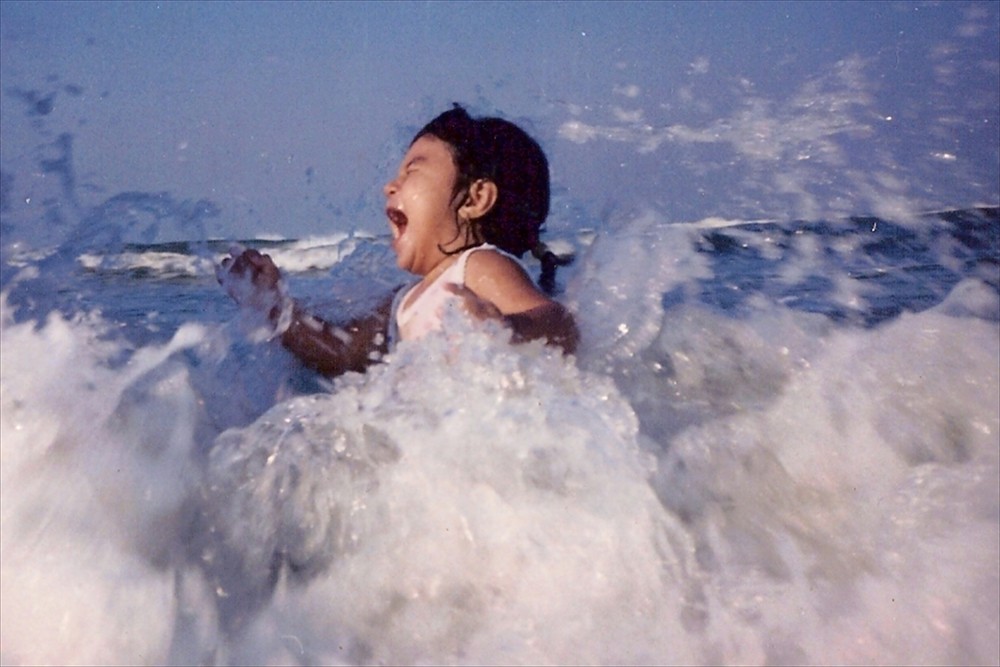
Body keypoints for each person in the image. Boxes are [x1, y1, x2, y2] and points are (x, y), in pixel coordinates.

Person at [217, 105, 578, 379]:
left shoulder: (480, 266)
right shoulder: (404, 300)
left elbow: (556, 321)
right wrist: (275, 307)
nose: (390, 185)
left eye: (413, 171)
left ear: (474, 199)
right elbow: (343, 356)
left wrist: (506, 331)